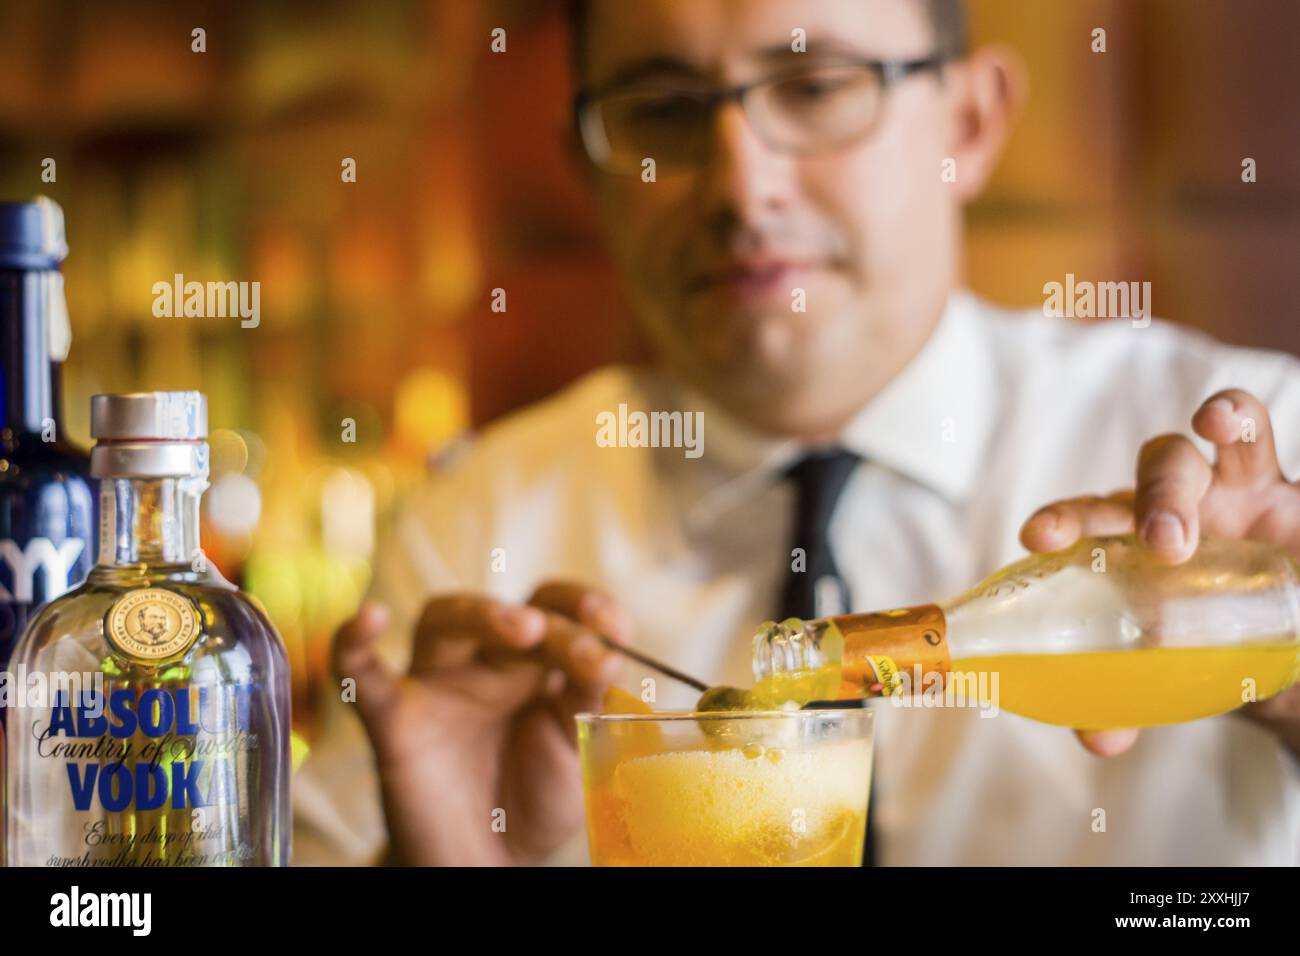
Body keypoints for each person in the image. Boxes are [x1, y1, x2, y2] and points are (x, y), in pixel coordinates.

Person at [292, 0, 1300, 866]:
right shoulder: (474, 531)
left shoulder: (1253, 456)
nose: (741, 186)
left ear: (972, 118)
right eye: (662, 110)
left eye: (815, 86)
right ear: (589, 171)